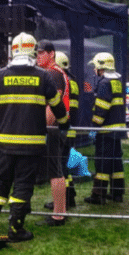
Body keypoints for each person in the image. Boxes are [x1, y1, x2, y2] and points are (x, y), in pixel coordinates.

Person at [0, 33, 68, 242]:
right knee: (23, 186)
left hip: (5, 143)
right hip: (32, 146)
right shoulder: (44, 76)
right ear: (33, 51)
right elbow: (58, 106)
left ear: (13, 50)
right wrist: (65, 125)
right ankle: (16, 230)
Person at [84, 52, 127, 204]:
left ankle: (98, 195)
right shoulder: (117, 80)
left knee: (102, 162)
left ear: (101, 67)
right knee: (116, 162)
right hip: (118, 130)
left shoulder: (104, 83)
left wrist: (94, 128)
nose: (94, 69)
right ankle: (117, 194)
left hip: (106, 130)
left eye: (95, 66)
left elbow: (101, 108)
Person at [35, 40, 70, 226]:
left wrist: (44, 128)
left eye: (41, 53)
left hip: (53, 129)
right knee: (56, 171)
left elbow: (51, 108)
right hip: (57, 128)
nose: (38, 57)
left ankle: (58, 215)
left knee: (55, 172)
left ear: (51, 54)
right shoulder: (57, 73)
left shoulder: (53, 74)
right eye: (37, 53)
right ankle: (60, 213)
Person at [55, 51, 80, 208]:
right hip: (70, 129)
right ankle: (69, 196)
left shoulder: (62, 82)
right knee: (64, 165)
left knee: (60, 166)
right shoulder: (74, 82)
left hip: (62, 129)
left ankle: (65, 199)